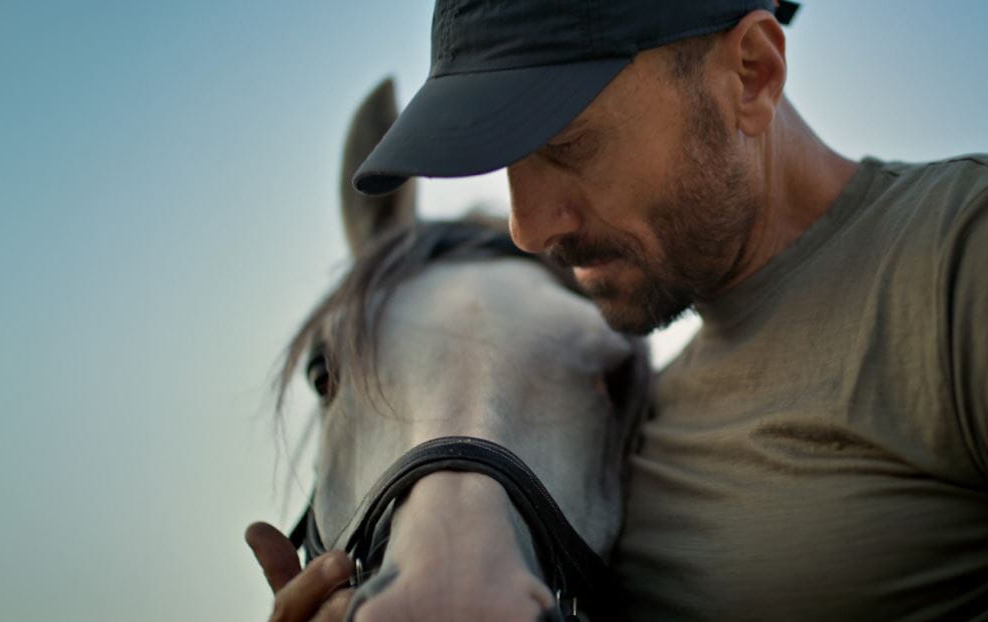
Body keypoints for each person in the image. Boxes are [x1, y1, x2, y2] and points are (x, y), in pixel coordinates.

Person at [248, 0, 988, 619]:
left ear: (751, 76)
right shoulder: (631, 405)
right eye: (510, 164)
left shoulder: (956, 256)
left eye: (568, 143)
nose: (527, 228)